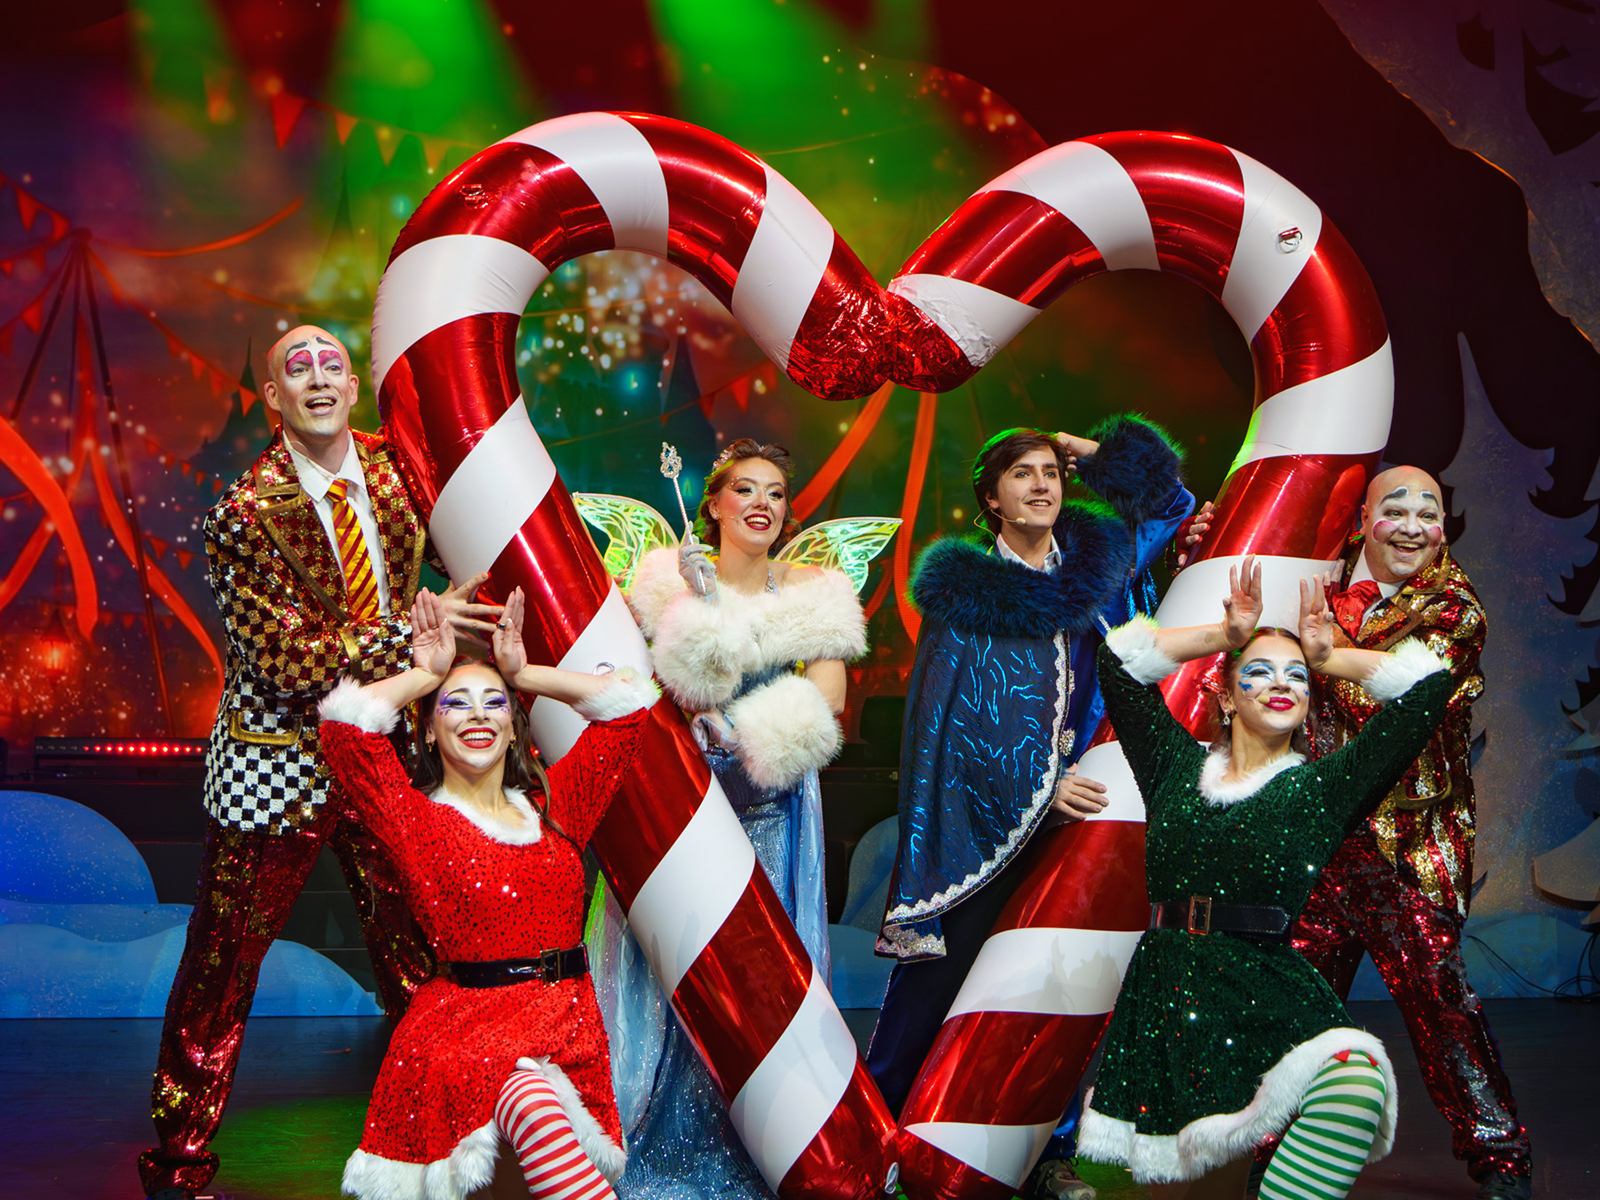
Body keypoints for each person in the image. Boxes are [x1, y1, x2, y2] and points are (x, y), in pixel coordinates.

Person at [140, 326, 498, 1200]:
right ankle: (179, 1159)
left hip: (385, 755)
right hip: (278, 767)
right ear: (272, 398)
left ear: (352, 384)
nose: (318, 377)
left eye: (331, 363)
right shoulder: (243, 512)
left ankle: (449, 1141)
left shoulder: (394, 471)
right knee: (224, 962)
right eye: (296, 369)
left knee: (421, 953)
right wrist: (416, 638)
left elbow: (463, 555)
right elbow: (288, 663)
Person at [868, 417, 1192, 1200]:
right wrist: (1042, 788)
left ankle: (1047, 1151)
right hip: (986, 822)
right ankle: (874, 1133)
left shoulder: (1100, 564)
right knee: (934, 986)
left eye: (1052, 471)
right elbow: (949, 728)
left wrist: (1093, 453)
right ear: (991, 499)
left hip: (1087, 811)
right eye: (1024, 474)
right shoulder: (966, 596)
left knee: (1059, 986)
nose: (1043, 484)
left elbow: (1173, 505)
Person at [1078, 558, 1454, 1199]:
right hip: (1171, 988)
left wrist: (1330, 654)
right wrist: (1225, 637)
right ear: (1224, 694)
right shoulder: (1174, 765)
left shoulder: (1323, 786)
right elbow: (1117, 659)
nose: (1283, 684)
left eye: (1298, 677)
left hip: (1262, 982)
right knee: (1193, 1187)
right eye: (1259, 671)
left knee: (1355, 1084)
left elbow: (1427, 685)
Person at [319, 585, 658, 1199]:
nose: (478, 715)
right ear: (428, 732)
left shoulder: (556, 807)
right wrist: (423, 677)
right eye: (457, 704)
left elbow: (629, 706)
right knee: (530, 1102)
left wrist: (525, 672)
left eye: (494, 703)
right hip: (469, 1034)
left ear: (512, 725)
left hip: (568, 1028)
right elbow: (345, 731)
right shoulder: (418, 820)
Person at [593, 437, 866, 1200]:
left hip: (770, 801)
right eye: (744, 490)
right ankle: (644, 1141)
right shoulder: (657, 582)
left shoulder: (816, 587)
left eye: (775, 493)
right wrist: (686, 619)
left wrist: (743, 739)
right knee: (673, 969)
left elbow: (830, 698)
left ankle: (771, 1144)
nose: (760, 505)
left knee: (756, 979)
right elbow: (628, 687)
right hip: (681, 805)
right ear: (711, 503)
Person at [1290, 467, 1531, 1200]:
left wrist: (1327, 654)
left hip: (1409, 847)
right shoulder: (1310, 586)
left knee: (1440, 1005)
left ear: (1443, 531)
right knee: (1296, 1011)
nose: (1413, 524)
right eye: (1395, 508)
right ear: (1363, 520)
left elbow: (1406, 686)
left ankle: (1501, 1156)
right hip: (1316, 844)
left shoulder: (1457, 608)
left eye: (1428, 512)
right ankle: (1277, 1151)